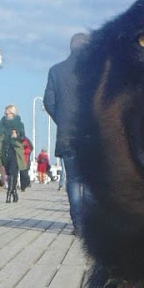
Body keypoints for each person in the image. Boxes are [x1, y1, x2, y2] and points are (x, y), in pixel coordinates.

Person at [44, 32, 90, 231]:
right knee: (90, 179)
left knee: (73, 180)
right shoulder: (94, 71)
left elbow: (48, 101)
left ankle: (78, 223)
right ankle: (89, 224)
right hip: (89, 134)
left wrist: (61, 119)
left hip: (66, 134)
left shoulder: (56, 71)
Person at [0, 104, 28, 203]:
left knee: (14, 172)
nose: (7, 115)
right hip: (4, 151)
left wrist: (16, 136)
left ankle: (9, 193)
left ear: (13, 113)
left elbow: (23, 138)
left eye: (8, 113)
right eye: (5, 113)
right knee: (9, 173)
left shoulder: (19, 124)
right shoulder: (2, 123)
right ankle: (14, 192)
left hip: (15, 151)